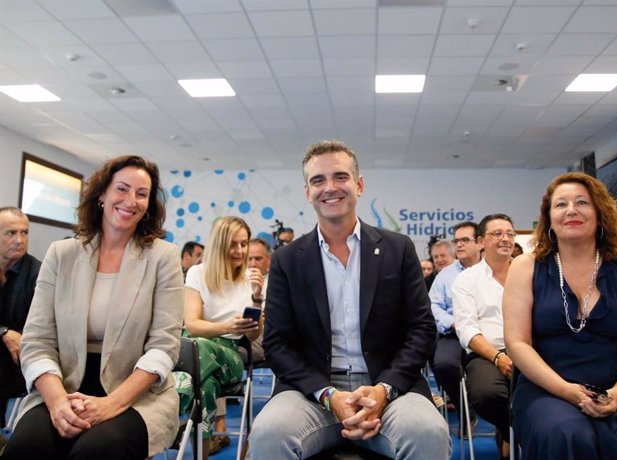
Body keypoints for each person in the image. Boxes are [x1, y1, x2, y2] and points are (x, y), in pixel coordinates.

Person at [250, 140, 450, 459]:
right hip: (313, 395)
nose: (330, 187)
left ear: (358, 184)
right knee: (268, 434)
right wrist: (328, 395)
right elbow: (277, 343)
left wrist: (383, 390)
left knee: (428, 433)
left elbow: (421, 330)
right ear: (307, 192)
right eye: (318, 180)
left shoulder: (398, 249)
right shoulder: (288, 260)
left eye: (340, 177)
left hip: (389, 391)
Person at [4, 155, 185, 460]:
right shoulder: (61, 254)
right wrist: (58, 401)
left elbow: (164, 346)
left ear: (149, 205)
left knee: (96, 451)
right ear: (102, 194)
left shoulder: (163, 258)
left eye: (142, 194)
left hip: (135, 392)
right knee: (26, 448)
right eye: (122, 189)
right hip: (63, 383)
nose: (131, 201)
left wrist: (111, 404)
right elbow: (37, 341)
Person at [503, 172, 617, 460]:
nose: (571, 210)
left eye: (582, 202)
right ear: (549, 219)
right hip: (548, 388)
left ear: (600, 214)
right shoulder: (524, 268)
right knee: (565, 433)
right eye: (561, 205)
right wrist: (567, 391)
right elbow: (517, 343)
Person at [180, 216, 264, 459]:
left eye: (244, 243)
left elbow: (254, 334)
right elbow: (192, 325)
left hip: (231, 353)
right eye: (233, 244)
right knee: (204, 387)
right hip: (198, 351)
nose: (240, 251)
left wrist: (257, 297)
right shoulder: (198, 273)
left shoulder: (252, 279)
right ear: (219, 245)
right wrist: (227, 324)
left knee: (197, 353)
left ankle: (177, 399)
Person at [452, 214, 515, 459]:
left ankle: (514, 433)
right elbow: (466, 329)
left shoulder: (530, 271)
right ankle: (510, 433)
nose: (505, 239)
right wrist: (499, 358)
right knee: (487, 395)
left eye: (509, 233)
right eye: (497, 233)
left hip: (530, 350)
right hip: (486, 353)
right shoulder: (467, 280)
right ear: (481, 241)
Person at [429, 222, 481, 431]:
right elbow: (433, 304)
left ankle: (501, 426)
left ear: (480, 243)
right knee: (443, 364)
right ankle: (464, 408)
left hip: (486, 334)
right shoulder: (445, 275)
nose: (459, 245)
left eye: (464, 240)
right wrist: (451, 322)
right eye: (456, 241)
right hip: (454, 333)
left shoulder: (492, 270)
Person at [0, 207, 41, 424]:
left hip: (20, 358)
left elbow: (42, 324)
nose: (19, 240)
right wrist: (4, 332)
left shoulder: (39, 273)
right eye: (11, 233)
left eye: (24, 233)